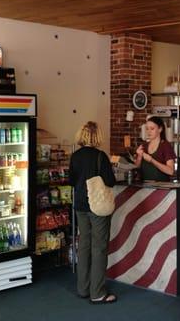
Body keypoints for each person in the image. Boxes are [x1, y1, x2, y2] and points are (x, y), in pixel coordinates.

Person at [69, 121, 117, 304]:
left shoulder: (75, 156)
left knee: (84, 246)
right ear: (97, 136)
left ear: (81, 135)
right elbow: (110, 181)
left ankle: (83, 288)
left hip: (80, 205)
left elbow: (71, 181)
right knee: (99, 248)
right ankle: (97, 293)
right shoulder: (100, 156)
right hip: (97, 207)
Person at [135, 116, 176, 181]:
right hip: (144, 187)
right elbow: (136, 168)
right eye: (147, 129)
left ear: (160, 129)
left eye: (152, 129)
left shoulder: (165, 146)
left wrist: (152, 160)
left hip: (161, 188)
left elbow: (170, 171)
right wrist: (139, 156)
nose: (149, 132)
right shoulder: (144, 146)